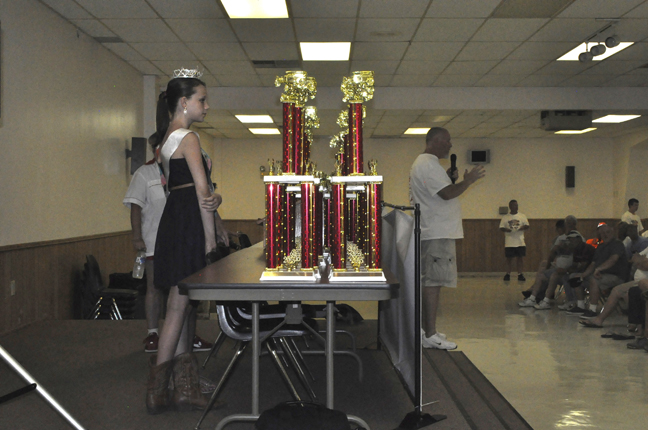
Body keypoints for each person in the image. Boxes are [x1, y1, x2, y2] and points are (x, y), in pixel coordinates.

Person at [146, 71, 227, 414]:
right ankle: (158, 391)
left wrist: (214, 199)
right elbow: (202, 190)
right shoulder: (189, 137)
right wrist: (210, 244)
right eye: (201, 100)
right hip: (190, 225)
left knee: (180, 306)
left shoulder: (165, 140)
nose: (206, 106)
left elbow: (197, 193)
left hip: (173, 222)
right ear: (184, 102)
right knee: (179, 307)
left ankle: (184, 387)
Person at [123, 134, 216, 354]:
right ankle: (154, 333)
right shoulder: (144, 174)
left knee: (185, 294)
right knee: (155, 287)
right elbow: (135, 206)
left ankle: (187, 338)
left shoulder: (182, 170)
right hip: (154, 240)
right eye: (157, 147)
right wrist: (137, 237)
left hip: (182, 239)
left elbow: (204, 197)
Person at [410, 127, 485, 350]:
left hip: (434, 230)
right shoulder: (428, 164)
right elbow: (447, 194)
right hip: (437, 232)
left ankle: (426, 330)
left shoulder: (425, 164)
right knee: (433, 283)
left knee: (433, 281)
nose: (450, 145)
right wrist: (468, 180)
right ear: (434, 141)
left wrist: (452, 181)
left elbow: (442, 192)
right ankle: (430, 334)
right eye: (447, 141)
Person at [567, 223, 629, 318]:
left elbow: (613, 260)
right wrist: (582, 275)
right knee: (575, 278)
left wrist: (599, 269)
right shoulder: (600, 247)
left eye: (607, 232)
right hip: (600, 274)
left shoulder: (617, 244)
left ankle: (592, 310)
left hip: (616, 276)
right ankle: (581, 306)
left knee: (593, 280)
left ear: (612, 232)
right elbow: (593, 264)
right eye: (602, 233)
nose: (605, 235)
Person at [500, 200, 529, 281]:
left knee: (520, 258)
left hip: (520, 241)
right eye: (513, 205)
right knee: (509, 259)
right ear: (510, 206)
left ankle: (520, 274)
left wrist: (522, 228)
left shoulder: (522, 216)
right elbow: (501, 227)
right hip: (509, 241)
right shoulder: (505, 217)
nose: (515, 207)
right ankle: (508, 274)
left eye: (516, 205)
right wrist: (506, 229)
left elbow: (527, 226)